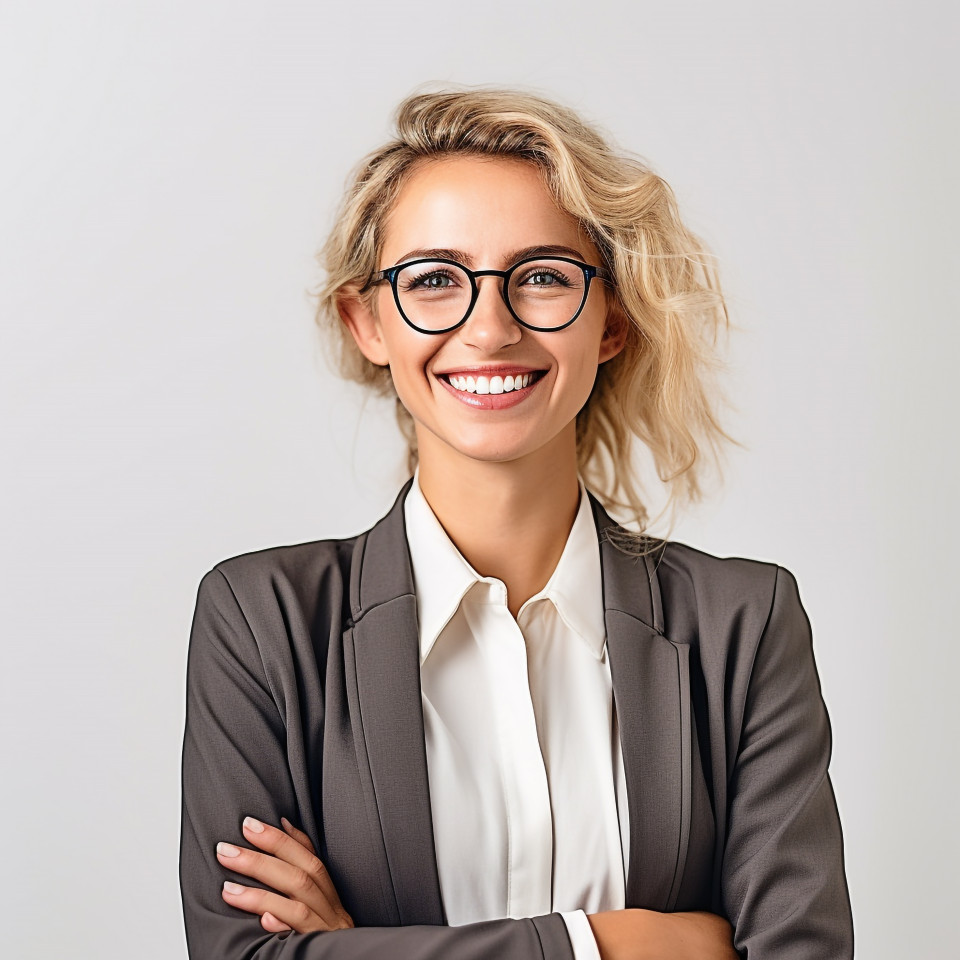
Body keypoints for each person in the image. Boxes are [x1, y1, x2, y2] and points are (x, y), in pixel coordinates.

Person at [179, 88, 854, 960]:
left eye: (540, 276)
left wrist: (360, 949)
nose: (489, 328)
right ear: (367, 321)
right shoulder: (262, 622)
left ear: (611, 320)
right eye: (432, 280)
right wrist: (612, 944)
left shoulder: (743, 624)